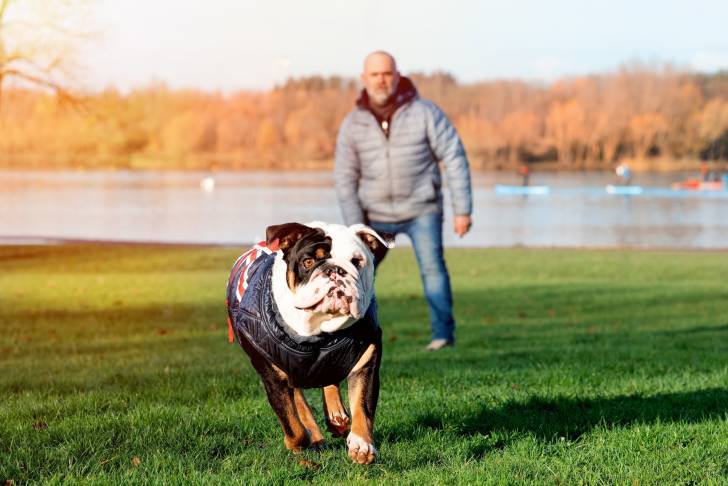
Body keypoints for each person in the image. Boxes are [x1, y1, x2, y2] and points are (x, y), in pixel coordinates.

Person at [334, 51, 473, 351]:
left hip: (423, 208)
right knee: (355, 272)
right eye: (375, 74)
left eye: (387, 74)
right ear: (364, 79)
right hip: (373, 216)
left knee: (433, 269)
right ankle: (351, 339)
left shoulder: (426, 113)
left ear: (397, 76)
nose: (381, 80)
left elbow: (455, 156)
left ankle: (443, 337)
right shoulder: (352, 124)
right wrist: (355, 227)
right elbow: (345, 178)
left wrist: (463, 210)